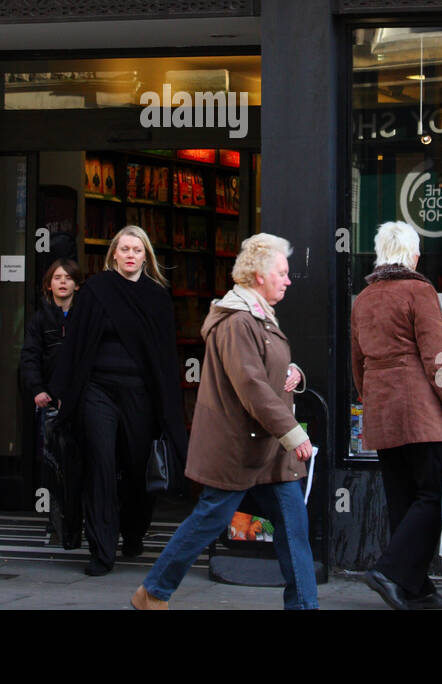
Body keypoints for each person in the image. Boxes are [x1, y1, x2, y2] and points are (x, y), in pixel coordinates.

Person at [131, 233, 316, 611]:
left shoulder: (258, 315)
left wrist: (292, 370)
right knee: (209, 522)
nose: (288, 279)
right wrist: (293, 433)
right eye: (281, 272)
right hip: (238, 448)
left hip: (266, 449)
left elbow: (263, 371)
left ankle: (304, 607)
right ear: (260, 275)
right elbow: (250, 385)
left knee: (294, 528)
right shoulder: (236, 322)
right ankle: (153, 593)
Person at [48, 225, 187, 575]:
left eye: (136, 250)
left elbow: (166, 356)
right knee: (100, 463)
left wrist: (170, 404)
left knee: (138, 464)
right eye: (124, 249)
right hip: (98, 391)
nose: (129, 255)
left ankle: (134, 531)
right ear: (113, 254)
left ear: (146, 256)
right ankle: (101, 549)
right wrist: (62, 392)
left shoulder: (157, 298)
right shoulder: (96, 291)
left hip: (139, 392)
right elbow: (75, 343)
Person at [351, 222, 442, 611]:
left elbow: (358, 363)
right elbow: (437, 360)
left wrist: (370, 398)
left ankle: (415, 588)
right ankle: (389, 571)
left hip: (382, 414)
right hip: (420, 413)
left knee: (402, 501)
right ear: (414, 255)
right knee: (433, 499)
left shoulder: (364, 298)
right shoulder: (419, 291)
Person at [21, 258, 82, 411]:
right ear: (49, 285)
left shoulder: (84, 317)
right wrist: (37, 389)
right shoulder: (39, 319)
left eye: (68, 278)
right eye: (57, 278)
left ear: (77, 285)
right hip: (48, 397)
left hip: (81, 396)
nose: (63, 282)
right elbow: (30, 356)